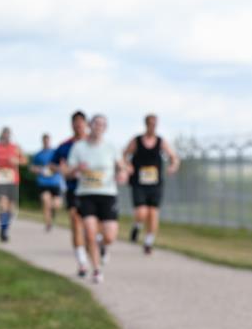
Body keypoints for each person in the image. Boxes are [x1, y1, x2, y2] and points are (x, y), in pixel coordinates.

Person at [65, 114, 127, 284]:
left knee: (110, 236)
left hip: (108, 194)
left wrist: (122, 173)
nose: (98, 126)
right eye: (96, 123)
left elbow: (121, 167)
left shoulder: (112, 147)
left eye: (102, 124)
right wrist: (76, 168)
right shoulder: (79, 147)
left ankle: (103, 245)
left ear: (105, 128)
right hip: (86, 194)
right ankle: (96, 270)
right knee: (90, 233)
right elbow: (68, 172)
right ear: (90, 125)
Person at [124, 114, 180, 254]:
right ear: (146, 124)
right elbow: (124, 155)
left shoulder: (161, 141)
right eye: (150, 123)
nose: (152, 126)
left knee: (153, 213)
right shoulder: (137, 141)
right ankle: (137, 226)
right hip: (139, 182)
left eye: (154, 124)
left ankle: (149, 242)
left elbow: (174, 157)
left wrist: (173, 166)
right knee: (142, 212)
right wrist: (128, 166)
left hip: (155, 183)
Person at [52, 111, 90, 276]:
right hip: (73, 188)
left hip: (94, 189)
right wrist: (60, 169)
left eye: (81, 122)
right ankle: (82, 262)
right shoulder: (65, 146)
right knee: (75, 220)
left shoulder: (94, 143)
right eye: (76, 122)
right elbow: (52, 164)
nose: (78, 125)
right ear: (72, 125)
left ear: (86, 124)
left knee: (91, 225)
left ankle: (97, 244)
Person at [0, 127, 26, 242]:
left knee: (11, 208)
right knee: (3, 204)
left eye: (8, 135)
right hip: (0, 179)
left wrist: (17, 161)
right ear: (1, 135)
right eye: (4, 135)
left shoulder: (16, 147)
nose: (6, 137)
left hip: (12, 179)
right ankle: (3, 229)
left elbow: (24, 160)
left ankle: (5, 227)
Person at [31, 133, 64, 231]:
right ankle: (48, 223)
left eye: (48, 140)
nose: (46, 142)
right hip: (43, 182)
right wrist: (38, 170)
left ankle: (52, 211)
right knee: (46, 201)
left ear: (50, 141)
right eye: (44, 141)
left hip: (55, 182)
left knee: (57, 204)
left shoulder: (55, 153)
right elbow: (32, 167)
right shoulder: (38, 154)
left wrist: (55, 168)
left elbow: (62, 165)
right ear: (42, 141)